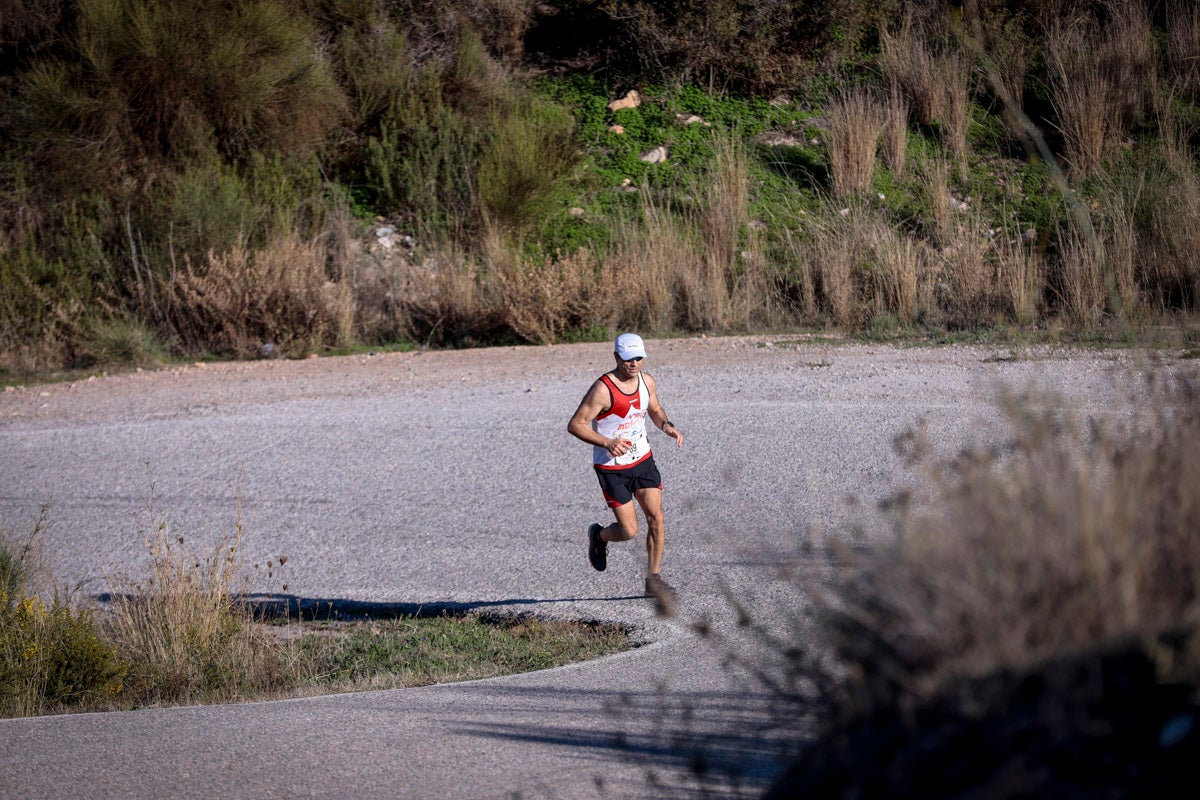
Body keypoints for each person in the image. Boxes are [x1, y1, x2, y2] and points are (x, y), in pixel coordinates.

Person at [567, 333, 684, 598]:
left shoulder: (647, 382)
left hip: (642, 459)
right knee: (629, 530)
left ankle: (652, 580)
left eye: (638, 358)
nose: (634, 364)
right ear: (617, 357)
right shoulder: (603, 389)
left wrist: (667, 426)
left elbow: (654, 409)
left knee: (656, 518)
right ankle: (599, 537)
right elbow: (575, 425)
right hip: (612, 467)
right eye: (628, 359)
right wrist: (607, 442)